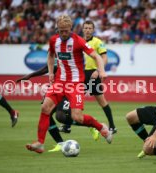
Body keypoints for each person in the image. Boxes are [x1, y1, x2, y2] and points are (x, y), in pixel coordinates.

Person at [25, 15, 113, 154]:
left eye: (66, 30)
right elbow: (50, 55)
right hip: (60, 82)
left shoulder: (78, 41)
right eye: (61, 31)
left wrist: (101, 71)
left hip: (76, 84)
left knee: (76, 117)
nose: (64, 33)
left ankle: (100, 127)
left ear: (70, 28)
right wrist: (51, 73)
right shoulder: (54, 40)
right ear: (57, 30)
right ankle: (40, 143)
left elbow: (97, 56)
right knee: (45, 108)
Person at [60, 20, 117, 134]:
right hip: (79, 75)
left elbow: (104, 58)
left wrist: (98, 70)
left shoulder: (97, 42)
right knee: (73, 99)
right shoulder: (77, 41)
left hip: (92, 74)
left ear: (93, 29)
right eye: (86, 28)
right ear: (83, 29)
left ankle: (112, 126)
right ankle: (67, 126)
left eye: (90, 28)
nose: (88, 30)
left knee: (102, 101)